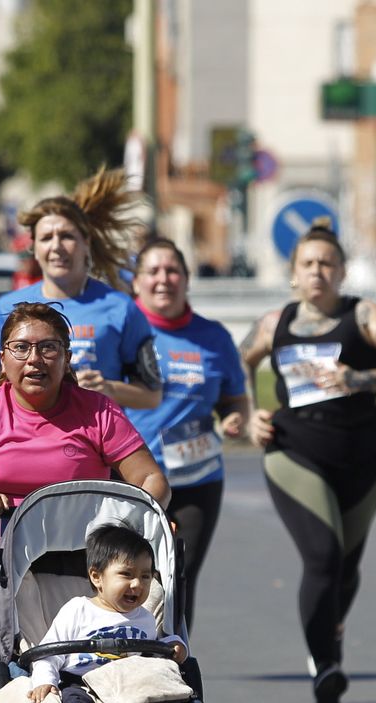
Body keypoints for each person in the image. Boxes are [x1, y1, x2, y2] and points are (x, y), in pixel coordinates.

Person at [239, 225, 376, 703]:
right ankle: (326, 666)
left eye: (327, 263)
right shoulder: (272, 323)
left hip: (364, 461)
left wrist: (359, 378)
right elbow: (235, 364)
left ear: (341, 272)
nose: (317, 271)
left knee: (345, 563)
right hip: (294, 452)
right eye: (308, 264)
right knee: (322, 555)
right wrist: (247, 413)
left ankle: (331, 638)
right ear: (293, 274)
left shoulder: (365, 315)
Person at [0, 301, 169, 656]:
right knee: (2, 660)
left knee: (98, 656)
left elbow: (151, 477)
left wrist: (141, 518)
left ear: (66, 357)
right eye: (21, 347)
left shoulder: (97, 410)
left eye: (48, 348)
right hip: (1, 557)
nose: (34, 359)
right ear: (2, 358)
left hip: (85, 558)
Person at [127, 237, 249, 629]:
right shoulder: (123, 330)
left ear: (186, 279)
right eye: (153, 271)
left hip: (195, 478)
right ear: (136, 282)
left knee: (179, 576)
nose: (164, 279)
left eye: (173, 270)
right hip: (129, 477)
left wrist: (234, 419)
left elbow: (235, 400)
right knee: (126, 575)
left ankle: (173, 666)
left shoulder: (213, 338)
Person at [0, 168, 163, 412]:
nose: (57, 246)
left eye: (67, 236)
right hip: (24, 444)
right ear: (34, 247)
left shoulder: (121, 308)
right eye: (47, 237)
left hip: (94, 443)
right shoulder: (8, 308)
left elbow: (152, 396)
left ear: (85, 243)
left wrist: (109, 389)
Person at [26, 523, 189, 703]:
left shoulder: (145, 618)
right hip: (80, 680)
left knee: (152, 693)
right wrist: (45, 680)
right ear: (96, 577)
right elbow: (49, 651)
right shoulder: (78, 610)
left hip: (126, 683)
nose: (137, 584)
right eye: (126, 574)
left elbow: (153, 651)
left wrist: (175, 644)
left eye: (145, 576)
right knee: (73, 699)